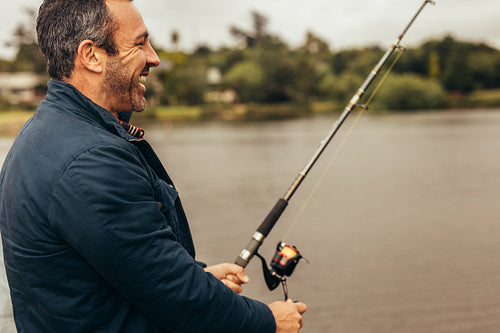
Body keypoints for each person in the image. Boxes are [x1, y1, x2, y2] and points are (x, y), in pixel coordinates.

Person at [0, 0, 307, 332]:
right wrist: (268, 321)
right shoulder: (90, 160)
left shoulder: (42, 133)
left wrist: (197, 275)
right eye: (140, 43)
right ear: (92, 56)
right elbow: (179, 297)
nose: (154, 58)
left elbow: (117, 266)